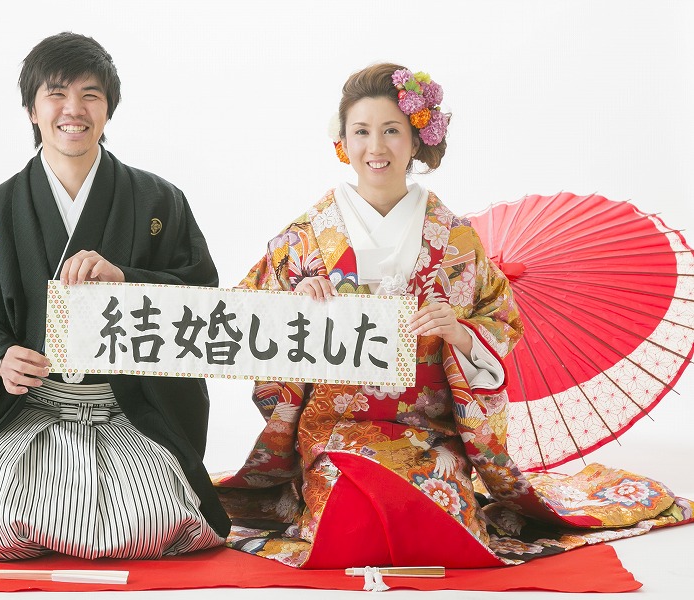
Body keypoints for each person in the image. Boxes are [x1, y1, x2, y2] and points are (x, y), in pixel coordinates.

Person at [213, 63, 692, 569]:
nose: (376, 146)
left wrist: (459, 333)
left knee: (443, 528)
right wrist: (295, 307)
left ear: (416, 139)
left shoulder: (455, 238)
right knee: (351, 527)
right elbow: (248, 320)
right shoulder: (307, 235)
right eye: (362, 131)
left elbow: (501, 321)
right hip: (334, 431)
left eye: (391, 130)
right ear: (343, 141)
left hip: (428, 433)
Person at [0, 32, 229, 561]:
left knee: (154, 523)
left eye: (90, 94)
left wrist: (128, 281)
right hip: (31, 411)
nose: (74, 109)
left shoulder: (158, 202)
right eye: (56, 94)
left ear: (109, 108)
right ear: (32, 109)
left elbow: (203, 301)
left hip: (129, 411)